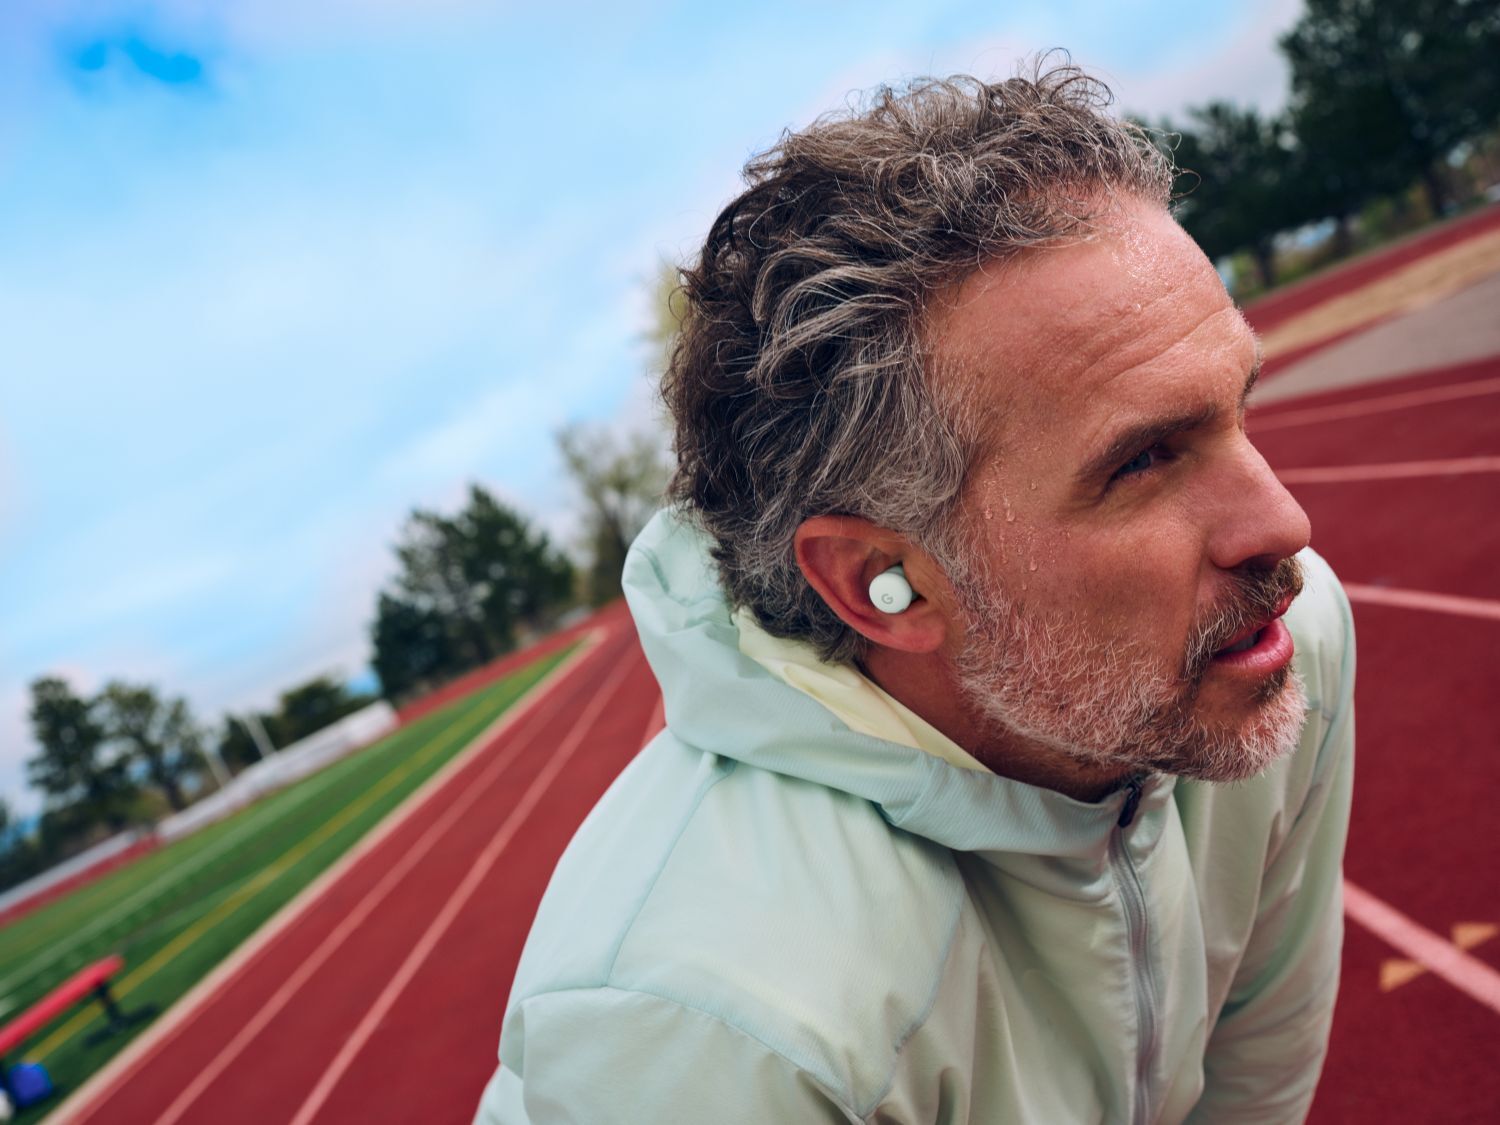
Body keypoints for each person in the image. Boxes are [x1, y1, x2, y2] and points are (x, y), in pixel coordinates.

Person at [476, 65, 1354, 1124]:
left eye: (1236, 410)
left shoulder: (1280, 643)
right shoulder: (716, 1024)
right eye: (1143, 462)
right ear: (879, 586)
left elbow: (1257, 1074)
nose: (1284, 527)